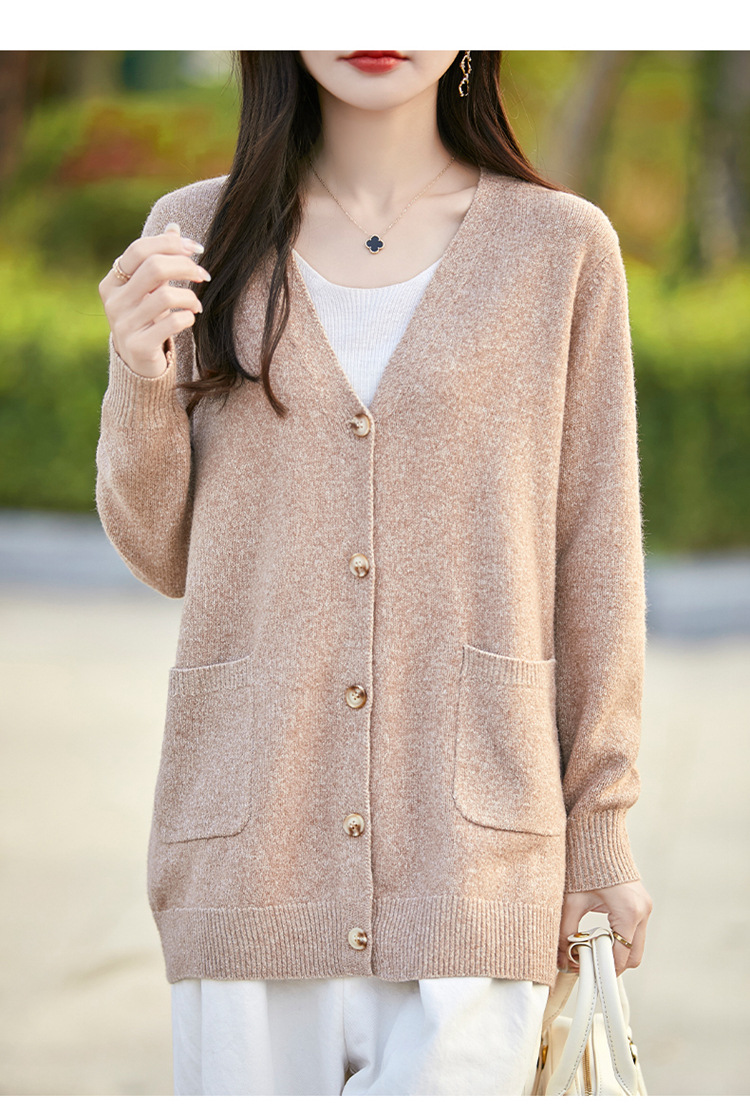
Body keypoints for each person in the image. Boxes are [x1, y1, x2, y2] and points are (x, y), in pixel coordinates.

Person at [95, 50, 653, 1097]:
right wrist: (139, 374)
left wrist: (603, 831)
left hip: (478, 858)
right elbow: (158, 550)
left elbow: (597, 561)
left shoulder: (561, 249)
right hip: (251, 855)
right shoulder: (195, 235)